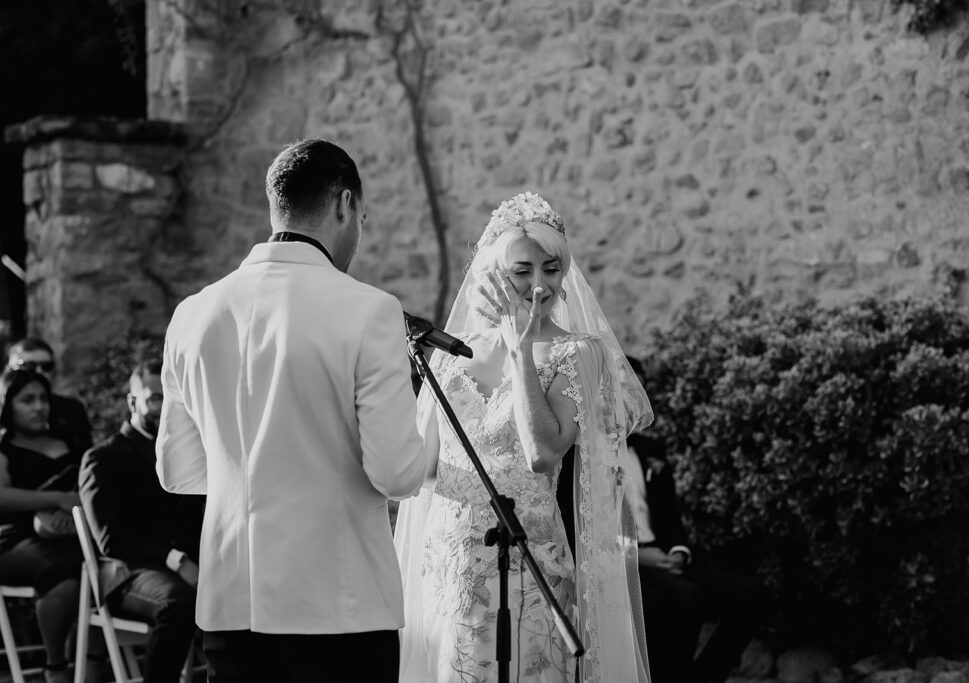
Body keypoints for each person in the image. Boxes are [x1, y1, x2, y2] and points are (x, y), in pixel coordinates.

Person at [156, 138, 426, 683]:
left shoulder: (192, 314)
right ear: (345, 204)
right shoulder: (369, 311)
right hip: (338, 607)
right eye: (363, 217)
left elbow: (177, 470)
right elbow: (396, 473)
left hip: (232, 603)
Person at [394, 192, 653, 683]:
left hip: (527, 568)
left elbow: (542, 454)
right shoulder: (451, 356)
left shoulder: (580, 354)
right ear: (492, 275)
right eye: (522, 272)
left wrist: (519, 351)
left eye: (551, 270)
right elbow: (421, 468)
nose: (539, 286)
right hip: (451, 565)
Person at [623, 356, 771, 683]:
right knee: (685, 598)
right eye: (626, 388)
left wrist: (678, 551)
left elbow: (671, 517)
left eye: (639, 389)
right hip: (624, 563)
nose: (634, 397)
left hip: (665, 553)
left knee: (752, 594)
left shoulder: (652, 451)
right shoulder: (585, 454)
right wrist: (633, 554)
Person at [79, 360, 204, 683]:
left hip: (188, 564)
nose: (164, 407)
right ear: (132, 402)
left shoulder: (191, 454)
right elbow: (111, 539)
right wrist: (177, 561)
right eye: (155, 398)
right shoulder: (103, 458)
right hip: (127, 571)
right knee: (181, 604)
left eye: (170, 397)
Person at [0, 368, 83, 683]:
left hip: (70, 535)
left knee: (103, 568)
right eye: (27, 400)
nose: (38, 407)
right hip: (14, 542)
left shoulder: (67, 443)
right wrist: (58, 498)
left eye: (43, 399)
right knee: (67, 576)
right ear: (8, 405)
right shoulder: (3, 450)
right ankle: (56, 666)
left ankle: (90, 659)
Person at [7, 338, 93, 456]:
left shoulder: (71, 409)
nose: (39, 371)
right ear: (10, 367)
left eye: (46, 366)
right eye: (29, 365)